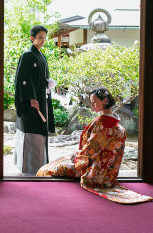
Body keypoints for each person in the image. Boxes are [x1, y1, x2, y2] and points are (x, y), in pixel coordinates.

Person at [37, 87, 153, 204]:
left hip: (95, 171)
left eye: (94, 102)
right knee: (61, 160)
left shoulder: (104, 125)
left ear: (105, 101)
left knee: (49, 169)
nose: (92, 105)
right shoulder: (114, 122)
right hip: (108, 171)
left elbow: (90, 151)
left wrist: (76, 158)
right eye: (91, 102)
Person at [14, 25, 55, 175]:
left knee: (40, 131)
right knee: (31, 131)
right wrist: (31, 97)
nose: (43, 40)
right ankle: (29, 168)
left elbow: (39, 78)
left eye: (44, 37)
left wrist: (47, 83)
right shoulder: (27, 55)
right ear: (32, 38)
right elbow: (23, 79)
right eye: (40, 37)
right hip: (31, 102)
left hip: (41, 98)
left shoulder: (40, 55)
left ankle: (39, 166)